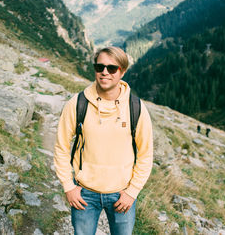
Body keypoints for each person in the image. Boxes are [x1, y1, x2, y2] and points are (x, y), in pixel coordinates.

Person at [54, 46, 154, 235]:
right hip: (84, 194)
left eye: (112, 68)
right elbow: (61, 146)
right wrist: (69, 187)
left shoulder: (136, 108)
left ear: (122, 71)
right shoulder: (77, 103)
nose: (104, 72)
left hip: (121, 194)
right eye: (100, 67)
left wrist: (132, 192)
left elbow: (145, 154)